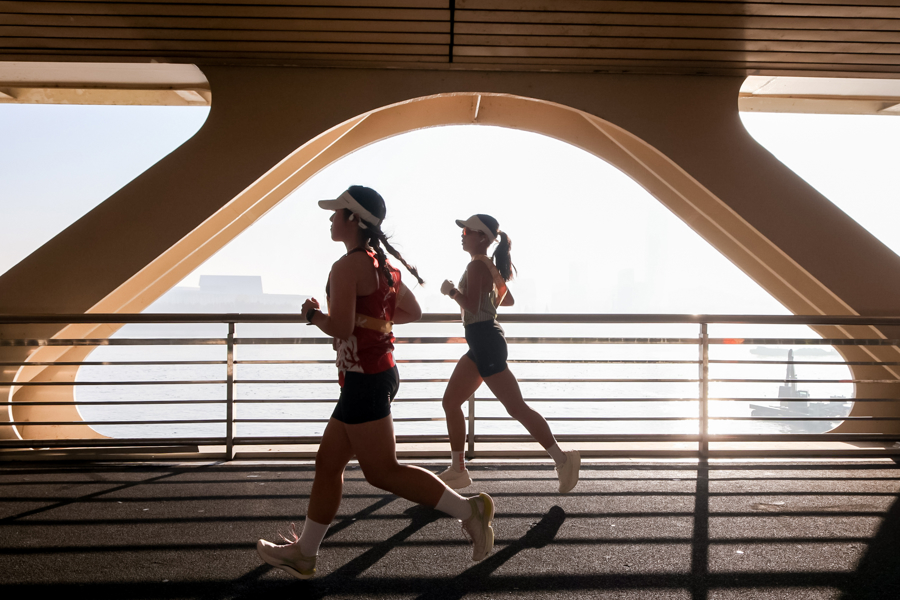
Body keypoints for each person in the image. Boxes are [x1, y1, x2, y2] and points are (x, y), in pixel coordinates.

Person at [256, 187, 495, 579]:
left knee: (383, 471)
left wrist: (313, 315)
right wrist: (374, 323)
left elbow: (340, 326)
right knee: (328, 463)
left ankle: (470, 510)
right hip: (375, 373)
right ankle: (304, 554)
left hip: (365, 378)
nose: (330, 218)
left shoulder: (347, 266)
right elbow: (412, 312)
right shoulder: (383, 266)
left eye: (337, 212)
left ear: (353, 219)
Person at [438, 214, 580, 492]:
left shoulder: (477, 265)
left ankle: (563, 460)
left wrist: (452, 291)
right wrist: (487, 292)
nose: (462, 235)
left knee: (516, 408)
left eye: (466, 231)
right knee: (451, 402)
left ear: (482, 237)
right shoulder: (487, 266)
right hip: (481, 342)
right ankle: (458, 470)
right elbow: (508, 299)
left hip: (485, 341)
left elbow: (472, 305)